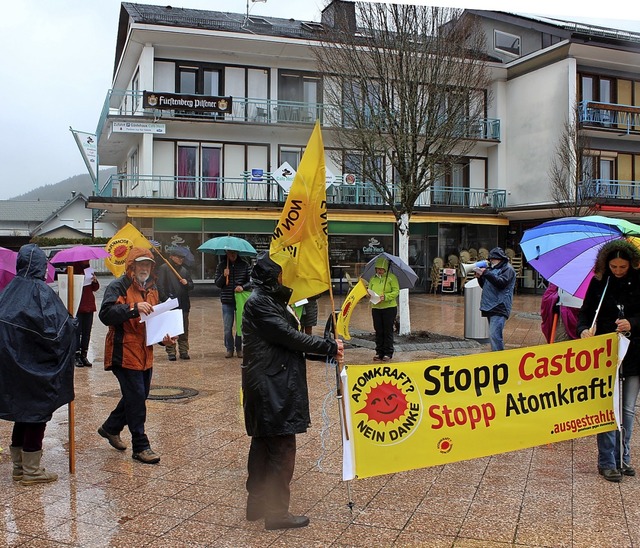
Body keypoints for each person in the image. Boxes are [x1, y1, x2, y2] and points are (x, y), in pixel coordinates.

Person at [241, 252, 344, 531]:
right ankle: (276, 512)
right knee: (282, 446)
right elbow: (289, 337)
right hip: (270, 385)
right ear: (269, 278)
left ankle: (257, 502)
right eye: (279, 275)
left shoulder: (269, 300)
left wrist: (325, 350)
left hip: (271, 380)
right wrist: (328, 346)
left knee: (264, 442)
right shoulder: (260, 304)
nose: (283, 279)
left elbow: (288, 341)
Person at [0, 244, 77, 485]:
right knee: (35, 416)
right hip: (37, 368)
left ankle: (19, 467)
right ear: (41, 266)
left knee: (22, 414)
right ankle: (32, 472)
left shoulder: (8, 291)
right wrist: (72, 324)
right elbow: (58, 332)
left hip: (12, 368)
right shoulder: (42, 294)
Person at [97, 247, 176, 465]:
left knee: (137, 396)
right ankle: (141, 446)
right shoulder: (118, 286)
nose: (144, 268)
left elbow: (153, 323)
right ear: (131, 266)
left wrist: (164, 339)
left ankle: (110, 428)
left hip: (144, 353)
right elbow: (106, 315)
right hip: (123, 352)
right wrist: (133, 307)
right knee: (137, 399)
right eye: (140, 264)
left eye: (148, 265)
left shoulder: (152, 289)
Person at [577, 240, 640, 483]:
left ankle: (623, 457)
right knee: (608, 407)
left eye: (622, 267)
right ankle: (607, 461)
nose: (618, 270)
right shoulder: (599, 282)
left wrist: (632, 323)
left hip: (634, 352)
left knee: (627, 409)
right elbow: (586, 312)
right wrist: (584, 329)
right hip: (606, 352)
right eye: (613, 266)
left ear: (631, 264)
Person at [156, 246, 194, 361]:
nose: (180, 259)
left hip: (183, 304)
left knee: (183, 329)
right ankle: (171, 351)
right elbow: (160, 286)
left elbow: (191, 286)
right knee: (170, 329)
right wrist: (166, 300)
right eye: (178, 257)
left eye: (182, 257)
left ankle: (183, 351)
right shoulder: (164, 268)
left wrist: (187, 283)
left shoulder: (184, 270)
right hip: (170, 304)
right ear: (171, 257)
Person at [476, 247, 516, 351]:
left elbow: (501, 283)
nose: (490, 261)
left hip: (500, 306)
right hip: (491, 306)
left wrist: (485, 273)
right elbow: (485, 286)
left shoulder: (508, 269)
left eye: (492, 259)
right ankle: (497, 357)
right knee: (494, 335)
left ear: (499, 259)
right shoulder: (492, 269)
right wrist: (480, 277)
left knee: (495, 336)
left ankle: (499, 359)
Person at [214, 249, 251, 358]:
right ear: (227, 253)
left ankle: (239, 348)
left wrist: (243, 287)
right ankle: (229, 348)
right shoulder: (221, 266)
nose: (233, 255)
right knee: (227, 327)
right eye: (230, 253)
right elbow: (217, 283)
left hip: (241, 301)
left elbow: (251, 281)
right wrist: (224, 276)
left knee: (240, 326)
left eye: (235, 253)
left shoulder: (245, 265)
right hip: (227, 301)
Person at [368, 256, 400, 362]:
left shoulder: (392, 278)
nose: (379, 271)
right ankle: (379, 351)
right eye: (377, 269)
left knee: (387, 330)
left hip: (389, 308)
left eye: (381, 269)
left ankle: (388, 352)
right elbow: (370, 289)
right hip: (376, 307)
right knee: (378, 330)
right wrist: (369, 294)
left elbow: (396, 291)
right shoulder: (373, 279)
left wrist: (385, 297)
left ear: (386, 269)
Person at [72, 260, 100, 367]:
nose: (87, 261)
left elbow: (95, 288)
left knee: (87, 332)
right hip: (77, 307)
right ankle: (77, 356)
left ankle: (84, 354)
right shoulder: (71, 270)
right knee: (77, 332)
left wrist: (94, 281)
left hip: (89, 306)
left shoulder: (89, 270)